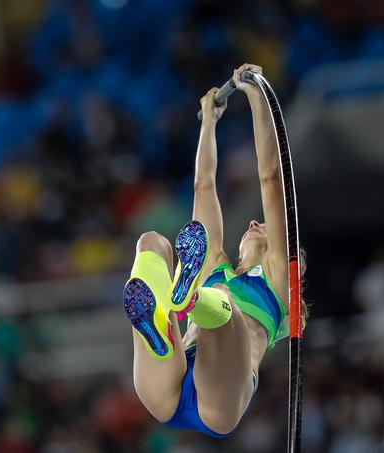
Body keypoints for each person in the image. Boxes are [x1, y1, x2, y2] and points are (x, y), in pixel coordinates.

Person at [123, 63, 305, 437]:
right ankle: (163, 322)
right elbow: (203, 185)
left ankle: (185, 301)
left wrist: (255, 96)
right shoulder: (217, 266)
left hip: (217, 402)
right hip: (170, 378)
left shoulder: (279, 283)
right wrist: (209, 122)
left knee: (224, 307)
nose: (255, 223)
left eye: (265, 227)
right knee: (152, 243)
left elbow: (271, 178)